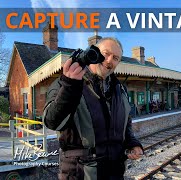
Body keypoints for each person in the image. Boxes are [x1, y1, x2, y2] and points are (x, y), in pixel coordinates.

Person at [43, 37, 143, 179]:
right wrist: (70, 87)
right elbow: (52, 121)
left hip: (115, 172)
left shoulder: (121, 90)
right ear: (94, 53)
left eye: (115, 58)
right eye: (106, 54)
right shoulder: (64, 84)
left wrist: (132, 143)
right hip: (80, 173)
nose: (109, 60)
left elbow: (126, 123)